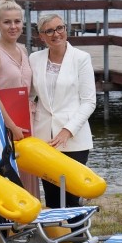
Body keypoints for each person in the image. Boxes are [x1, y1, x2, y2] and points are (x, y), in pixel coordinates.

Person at [29, 13, 96, 208]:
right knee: (51, 197)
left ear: (66, 30)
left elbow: (89, 101)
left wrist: (68, 130)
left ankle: (78, 238)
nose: (56, 34)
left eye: (60, 28)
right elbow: (29, 96)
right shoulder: (35, 59)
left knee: (72, 196)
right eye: (49, 31)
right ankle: (57, 238)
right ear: (41, 36)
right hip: (44, 138)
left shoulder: (81, 58)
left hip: (74, 139)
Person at [0, 0, 40, 200]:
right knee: (8, 177)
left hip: (27, 121)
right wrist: (11, 126)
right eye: (7, 22)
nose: (13, 26)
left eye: (17, 21)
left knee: (28, 173)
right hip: (5, 126)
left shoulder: (23, 49)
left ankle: (30, 223)